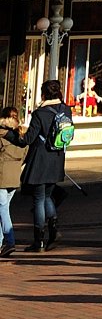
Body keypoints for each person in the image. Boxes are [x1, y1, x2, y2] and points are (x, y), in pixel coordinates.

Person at [22, 78, 73, 253]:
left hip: (40, 161)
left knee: (39, 199)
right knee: (48, 196)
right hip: (57, 158)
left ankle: (39, 241)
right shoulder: (66, 109)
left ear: (44, 93)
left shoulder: (39, 113)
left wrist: (12, 135)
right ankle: (54, 231)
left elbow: (28, 139)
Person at [0, 105, 25, 258]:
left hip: (2, 176)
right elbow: (25, 154)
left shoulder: (1, 133)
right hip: (15, 177)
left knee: (3, 210)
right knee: (2, 210)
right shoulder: (22, 134)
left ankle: (10, 241)